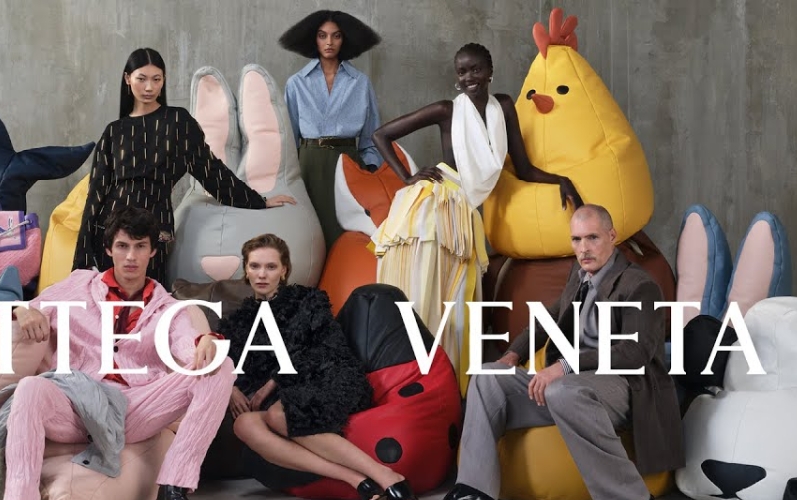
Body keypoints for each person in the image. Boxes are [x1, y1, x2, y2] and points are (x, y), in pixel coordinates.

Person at [0, 206, 236, 500]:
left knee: (221, 366)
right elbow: (0, 316)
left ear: (153, 251)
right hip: (76, 404)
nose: (130, 256)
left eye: (140, 246)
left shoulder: (168, 308)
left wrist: (206, 341)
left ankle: (172, 492)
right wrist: (20, 311)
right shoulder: (77, 286)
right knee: (30, 388)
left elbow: (187, 346)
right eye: (122, 246)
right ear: (109, 249)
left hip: (134, 409)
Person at [414, 204, 684, 500]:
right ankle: (475, 492)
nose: (583, 248)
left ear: (612, 236)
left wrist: (564, 366)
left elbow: (635, 352)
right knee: (487, 377)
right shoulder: (579, 276)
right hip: (573, 387)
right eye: (576, 240)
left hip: (625, 386)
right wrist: (512, 355)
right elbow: (549, 319)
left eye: (592, 238)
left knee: (561, 389)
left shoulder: (639, 285)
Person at [370, 42, 583, 397]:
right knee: (423, 302)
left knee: (456, 311)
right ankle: (412, 389)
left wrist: (561, 179)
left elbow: (523, 168)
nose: (469, 77)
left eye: (475, 69)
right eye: (462, 71)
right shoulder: (447, 110)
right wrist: (407, 177)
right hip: (433, 211)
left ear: (490, 70)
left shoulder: (505, 107)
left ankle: (448, 392)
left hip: (464, 213)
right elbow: (381, 135)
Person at [221, 234, 419, 500]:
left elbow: (321, 351)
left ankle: (387, 476)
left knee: (277, 414)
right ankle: (358, 481)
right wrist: (229, 386)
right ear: (246, 270)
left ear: (284, 270)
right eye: (255, 266)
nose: (262, 274)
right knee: (244, 424)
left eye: (271, 267)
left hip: (328, 376)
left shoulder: (308, 300)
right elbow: (220, 359)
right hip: (284, 396)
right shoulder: (238, 321)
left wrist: (273, 382)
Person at [73, 48, 296, 288]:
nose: (149, 87)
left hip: (153, 222)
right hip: (111, 228)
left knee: (150, 299)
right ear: (128, 79)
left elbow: (211, 171)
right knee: (106, 302)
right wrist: (83, 254)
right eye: (142, 79)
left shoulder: (178, 121)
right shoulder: (114, 131)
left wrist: (258, 200)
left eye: (156, 79)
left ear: (164, 80)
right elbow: (96, 193)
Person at [279, 10, 382, 248]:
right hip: (309, 166)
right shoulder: (296, 83)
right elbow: (289, 139)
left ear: (345, 39)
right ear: (313, 39)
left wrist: (369, 170)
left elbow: (372, 136)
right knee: (309, 236)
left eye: (336, 36)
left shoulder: (360, 83)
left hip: (348, 163)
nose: (329, 42)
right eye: (322, 35)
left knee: (348, 235)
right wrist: (289, 179)